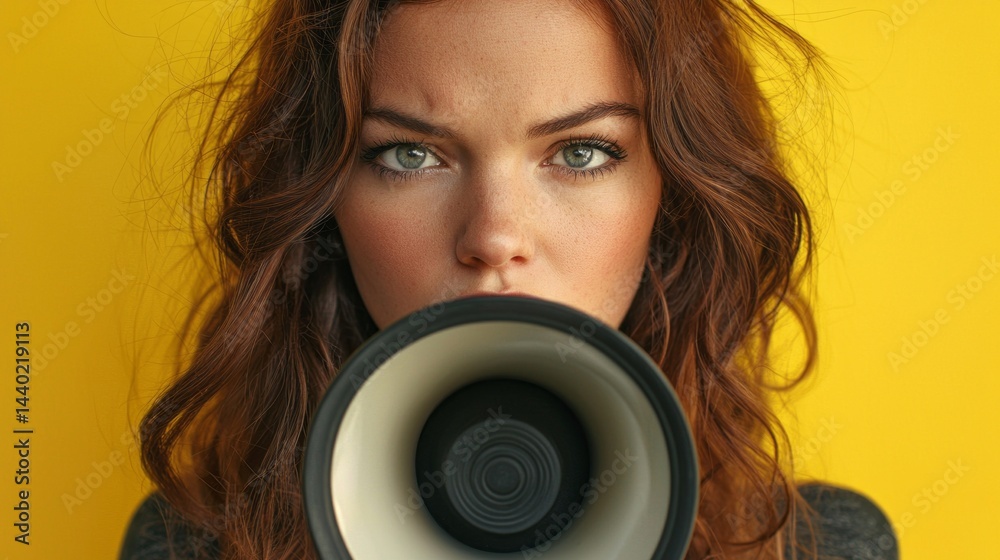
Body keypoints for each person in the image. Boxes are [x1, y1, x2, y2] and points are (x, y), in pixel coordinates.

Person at [121, 0, 898, 558]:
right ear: (324, 207)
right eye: (411, 155)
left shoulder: (829, 548)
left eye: (584, 152)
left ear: (674, 197)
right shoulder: (186, 545)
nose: (495, 236)